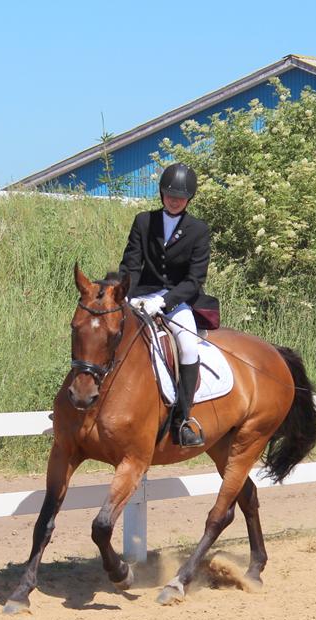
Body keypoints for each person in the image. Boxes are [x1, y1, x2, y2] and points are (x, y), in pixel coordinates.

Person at [119, 162, 210, 447]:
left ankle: (183, 419)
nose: (174, 200)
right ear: (161, 194)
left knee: (187, 345)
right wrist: (126, 295)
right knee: (103, 331)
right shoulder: (144, 221)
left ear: (189, 199)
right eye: (170, 194)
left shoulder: (198, 230)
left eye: (180, 197)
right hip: (140, 295)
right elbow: (131, 264)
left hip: (176, 300)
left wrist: (164, 301)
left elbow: (194, 279)